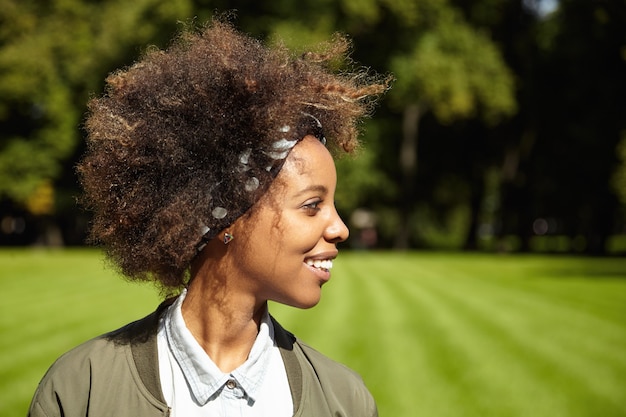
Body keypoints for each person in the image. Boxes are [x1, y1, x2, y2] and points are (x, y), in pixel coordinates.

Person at [28, 19, 388, 417]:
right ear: (227, 217)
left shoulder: (344, 401)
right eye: (311, 205)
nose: (340, 229)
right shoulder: (82, 390)